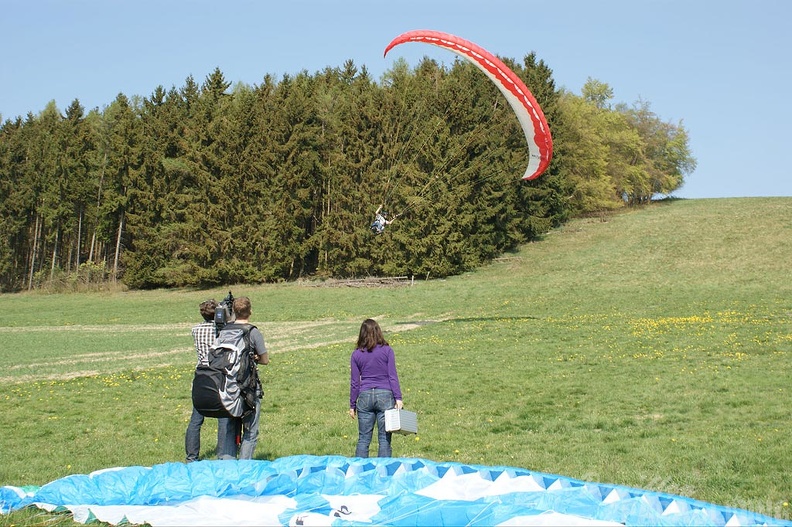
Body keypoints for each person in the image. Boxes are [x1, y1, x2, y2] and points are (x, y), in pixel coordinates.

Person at [217, 296, 269, 460]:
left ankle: (228, 469)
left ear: (234, 312)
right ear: (250, 312)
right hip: (247, 388)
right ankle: (245, 467)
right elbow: (265, 360)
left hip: (226, 388)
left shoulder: (223, 331)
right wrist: (254, 358)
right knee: (250, 431)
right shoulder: (252, 332)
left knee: (229, 430)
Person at [349, 318, 403, 457]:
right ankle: (383, 474)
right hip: (385, 396)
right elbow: (393, 376)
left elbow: (355, 382)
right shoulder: (387, 351)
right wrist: (398, 398)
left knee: (363, 440)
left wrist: (352, 405)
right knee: (384, 440)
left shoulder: (356, 354)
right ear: (378, 332)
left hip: (365, 396)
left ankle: (360, 472)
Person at [185, 299, 225, 462]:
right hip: (219, 374)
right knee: (224, 416)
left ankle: (191, 457)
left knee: (196, 418)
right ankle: (223, 455)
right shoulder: (222, 330)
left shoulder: (196, 330)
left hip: (201, 374)